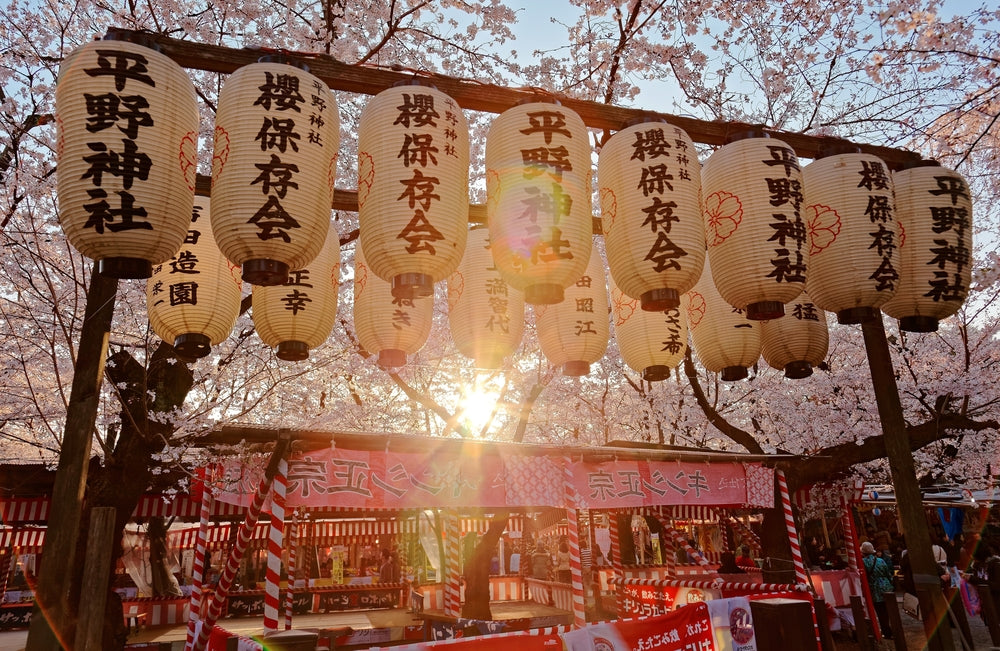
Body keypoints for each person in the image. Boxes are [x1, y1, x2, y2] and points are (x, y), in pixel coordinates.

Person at [861, 541, 894, 639]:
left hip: (874, 588)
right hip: (886, 586)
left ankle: (886, 631)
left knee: (880, 611)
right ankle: (893, 629)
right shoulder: (881, 560)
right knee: (889, 610)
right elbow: (888, 573)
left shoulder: (863, 562)